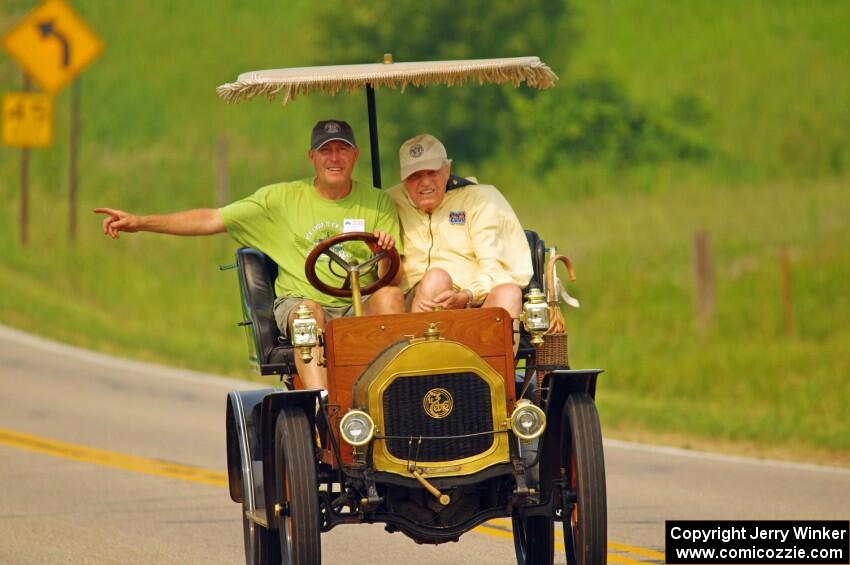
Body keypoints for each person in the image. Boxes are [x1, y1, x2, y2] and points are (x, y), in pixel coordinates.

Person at [94, 120, 405, 390]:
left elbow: (391, 275)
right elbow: (211, 219)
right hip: (303, 300)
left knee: (390, 296)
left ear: (355, 154)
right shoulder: (279, 200)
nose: (334, 158)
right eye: (325, 150)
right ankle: (323, 410)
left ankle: (386, 399)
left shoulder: (377, 203)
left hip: (356, 305)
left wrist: (384, 254)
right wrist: (140, 222)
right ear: (312, 157)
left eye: (342, 149)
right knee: (308, 315)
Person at [387, 133, 533, 323]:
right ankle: (422, 351)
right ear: (403, 178)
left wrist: (468, 295)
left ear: (447, 170)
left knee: (510, 293)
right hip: (413, 304)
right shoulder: (389, 201)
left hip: (472, 299)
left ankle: (488, 353)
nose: (425, 182)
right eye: (415, 175)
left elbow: (495, 267)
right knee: (436, 279)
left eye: (432, 172)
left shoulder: (478, 199)